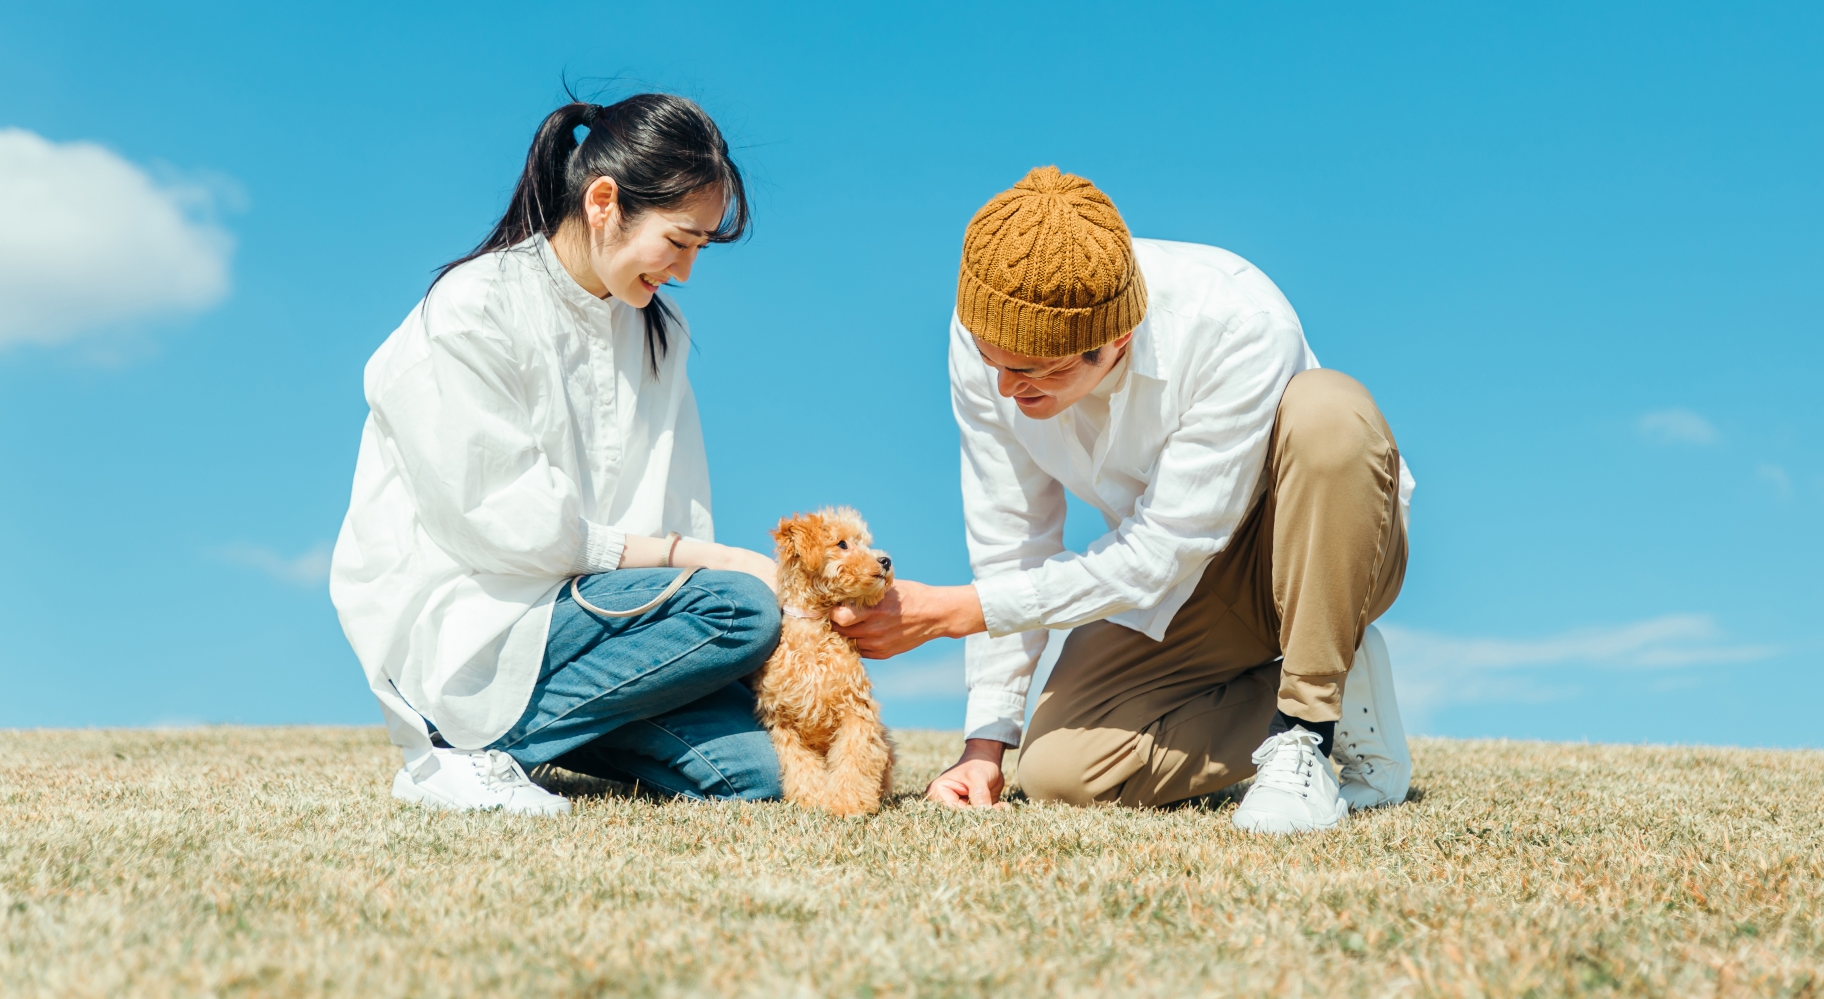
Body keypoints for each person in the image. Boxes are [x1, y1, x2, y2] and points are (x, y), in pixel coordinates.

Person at [832, 166, 1413, 834]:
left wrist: (958, 611)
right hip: (1192, 587)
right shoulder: (988, 343)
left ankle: (1306, 727)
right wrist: (983, 746)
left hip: (1319, 545)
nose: (1002, 388)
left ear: (1115, 342)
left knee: (1329, 413)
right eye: (991, 358)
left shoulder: (1237, 321)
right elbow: (1011, 534)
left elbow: (1163, 548)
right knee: (1061, 772)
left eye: (1030, 372)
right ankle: (1344, 675)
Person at [329, 94, 784, 814]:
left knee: (761, 776)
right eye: (681, 240)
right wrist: (713, 562)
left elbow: (677, 509)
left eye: (700, 248)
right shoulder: (473, 306)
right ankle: (461, 753)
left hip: (597, 630)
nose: (688, 271)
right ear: (604, 200)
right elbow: (506, 526)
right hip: (479, 624)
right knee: (742, 609)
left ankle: (551, 733)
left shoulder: (658, 337)